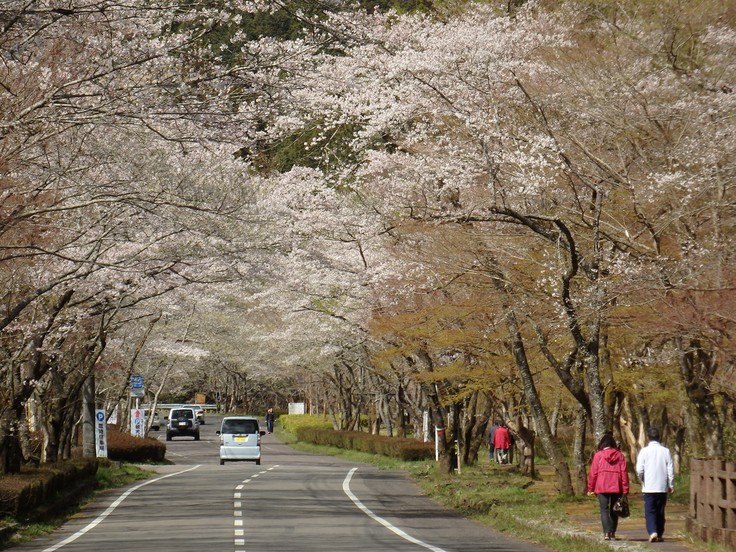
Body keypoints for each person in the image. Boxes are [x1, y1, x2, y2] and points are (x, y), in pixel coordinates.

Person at [587, 433, 630, 541]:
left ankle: (606, 533)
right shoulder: (620, 456)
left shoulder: (598, 455)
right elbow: (624, 473)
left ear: (602, 444)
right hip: (617, 486)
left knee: (604, 509)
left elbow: (593, 473)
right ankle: (612, 532)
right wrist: (625, 489)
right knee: (615, 509)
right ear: (613, 444)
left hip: (601, 486)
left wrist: (590, 488)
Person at [636, 427, 674, 543]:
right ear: (659, 437)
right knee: (660, 511)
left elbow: (639, 469)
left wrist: (642, 479)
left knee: (650, 511)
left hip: (649, 487)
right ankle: (660, 532)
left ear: (648, 438)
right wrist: (671, 484)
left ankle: (653, 531)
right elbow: (670, 469)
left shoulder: (644, 451)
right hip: (662, 487)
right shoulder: (666, 451)